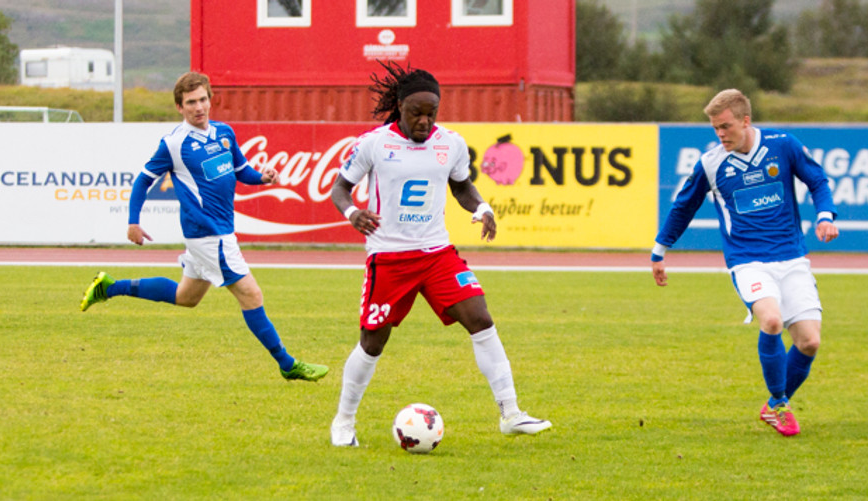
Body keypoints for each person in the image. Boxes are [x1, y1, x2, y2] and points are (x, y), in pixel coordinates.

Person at [328, 61, 552, 447]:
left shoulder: (451, 143)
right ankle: (344, 421)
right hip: (390, 257)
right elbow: (339, 189)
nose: (425, 121)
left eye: (431, 113)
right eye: (417, 113)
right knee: (372, 342)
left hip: (437, 254)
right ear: (400, 107)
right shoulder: (373, 144)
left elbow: (462, 187)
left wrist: (482, 208)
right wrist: (352, 213)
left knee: (480, 318)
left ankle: (511, 414)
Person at [79, 71, 329, 383]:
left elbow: (241, 170)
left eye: (202, 100)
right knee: (251, 294)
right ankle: (287, 363)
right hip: (210, 235)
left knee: (186, 297)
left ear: (210, 100)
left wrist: (262, 177)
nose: (198, 107)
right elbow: (143, 181)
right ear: (179, 107)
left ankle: (109, 287)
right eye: (191, 102)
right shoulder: (174, 144)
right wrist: (133, 221)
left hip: (217, 232)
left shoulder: (224, 133)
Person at [651, 89, 839, 437]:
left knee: (810, 342)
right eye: (715, 128)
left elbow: (817, 180)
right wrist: (659, 251)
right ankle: (780, 405)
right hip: (748, 262)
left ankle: (773, 405)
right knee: (771, 320)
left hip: (792, 258)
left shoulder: (783, 145)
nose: (720, 134)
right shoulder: (711, 163)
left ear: (745, 121)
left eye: (725, 126)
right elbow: (683, 206)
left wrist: (825, 215)